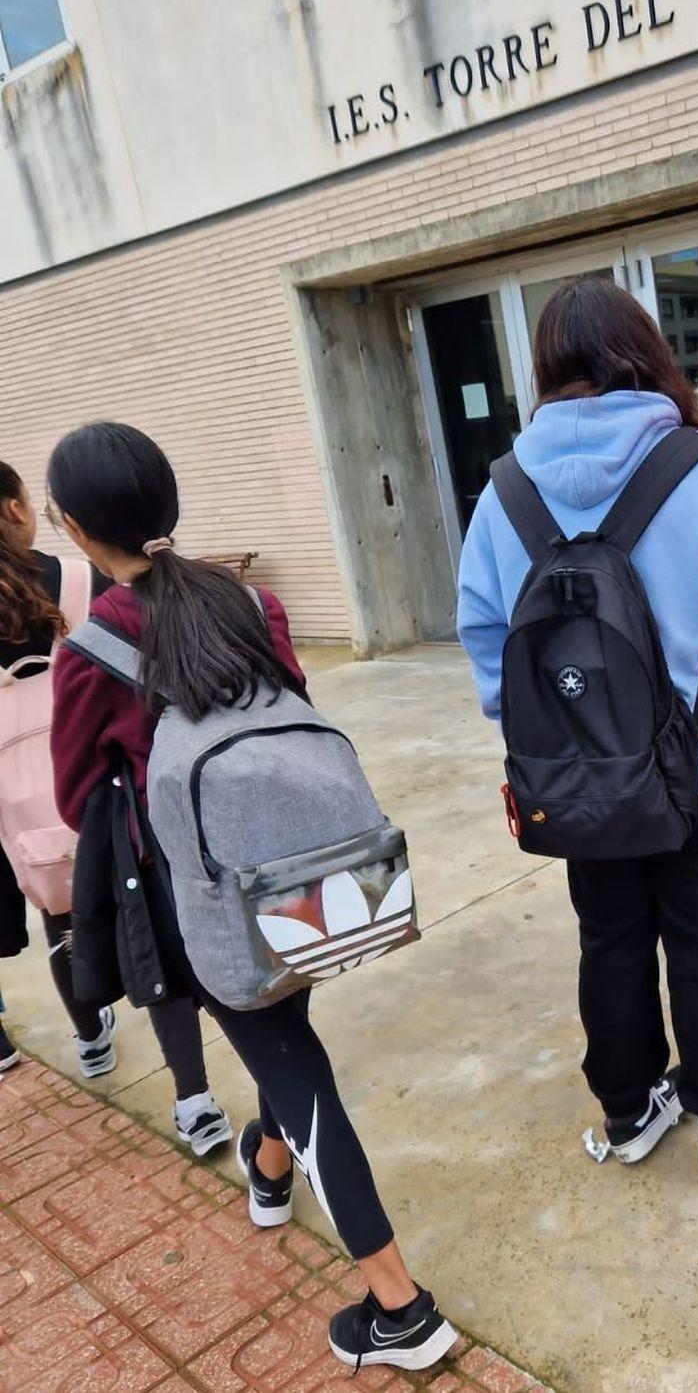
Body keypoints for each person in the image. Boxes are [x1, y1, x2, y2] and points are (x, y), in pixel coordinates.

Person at [47, 423, 457, 1372]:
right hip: (298, 880)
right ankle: (268, 1167)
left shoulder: (93, 650)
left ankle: (401, 1310)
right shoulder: (252, 603)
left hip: (198, 904)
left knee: (291, 1061)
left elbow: (77, 799)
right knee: (279, 1037)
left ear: (73, 526)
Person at [457, 276, 698, 1186]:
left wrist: (541, 733)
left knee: (610, 933)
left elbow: (483, 630)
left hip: (582, 766)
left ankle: (628, 1111)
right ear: (647, 354)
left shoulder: (505, 489)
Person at [0, 460, 233, 1153]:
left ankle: (91, 1038)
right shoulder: (77, 580)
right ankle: (202, 1099)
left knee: (63, 916)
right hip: (129, 787)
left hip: (23, 789)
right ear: (15, 508)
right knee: (166, 926)